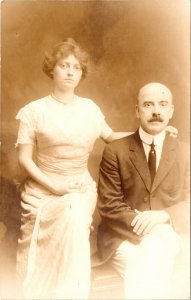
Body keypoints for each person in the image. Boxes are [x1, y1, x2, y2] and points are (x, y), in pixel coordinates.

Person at [15, 38, 132, 300]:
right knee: (61, 216)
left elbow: (111, 136)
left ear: (81, 73)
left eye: (76, 67)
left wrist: (147, 133)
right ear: (52, 70)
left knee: (72, 214)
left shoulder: (89, 109)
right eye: (64, 65)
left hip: (79, 188)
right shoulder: (34, 111)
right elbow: (25, 159)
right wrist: (54, 186)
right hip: (43, 191)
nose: (70, 72)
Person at [97, 82, 190, 299]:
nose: (156, 111)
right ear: (137, 111)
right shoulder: (115, 151)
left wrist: (163, 216)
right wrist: (150, 227)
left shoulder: (186, 153)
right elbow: (109, 205)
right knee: (155, 258)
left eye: (162, 104)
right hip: (123, 237)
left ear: (171, 111)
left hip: (170, 233)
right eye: (148, 105)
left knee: (154, 256)